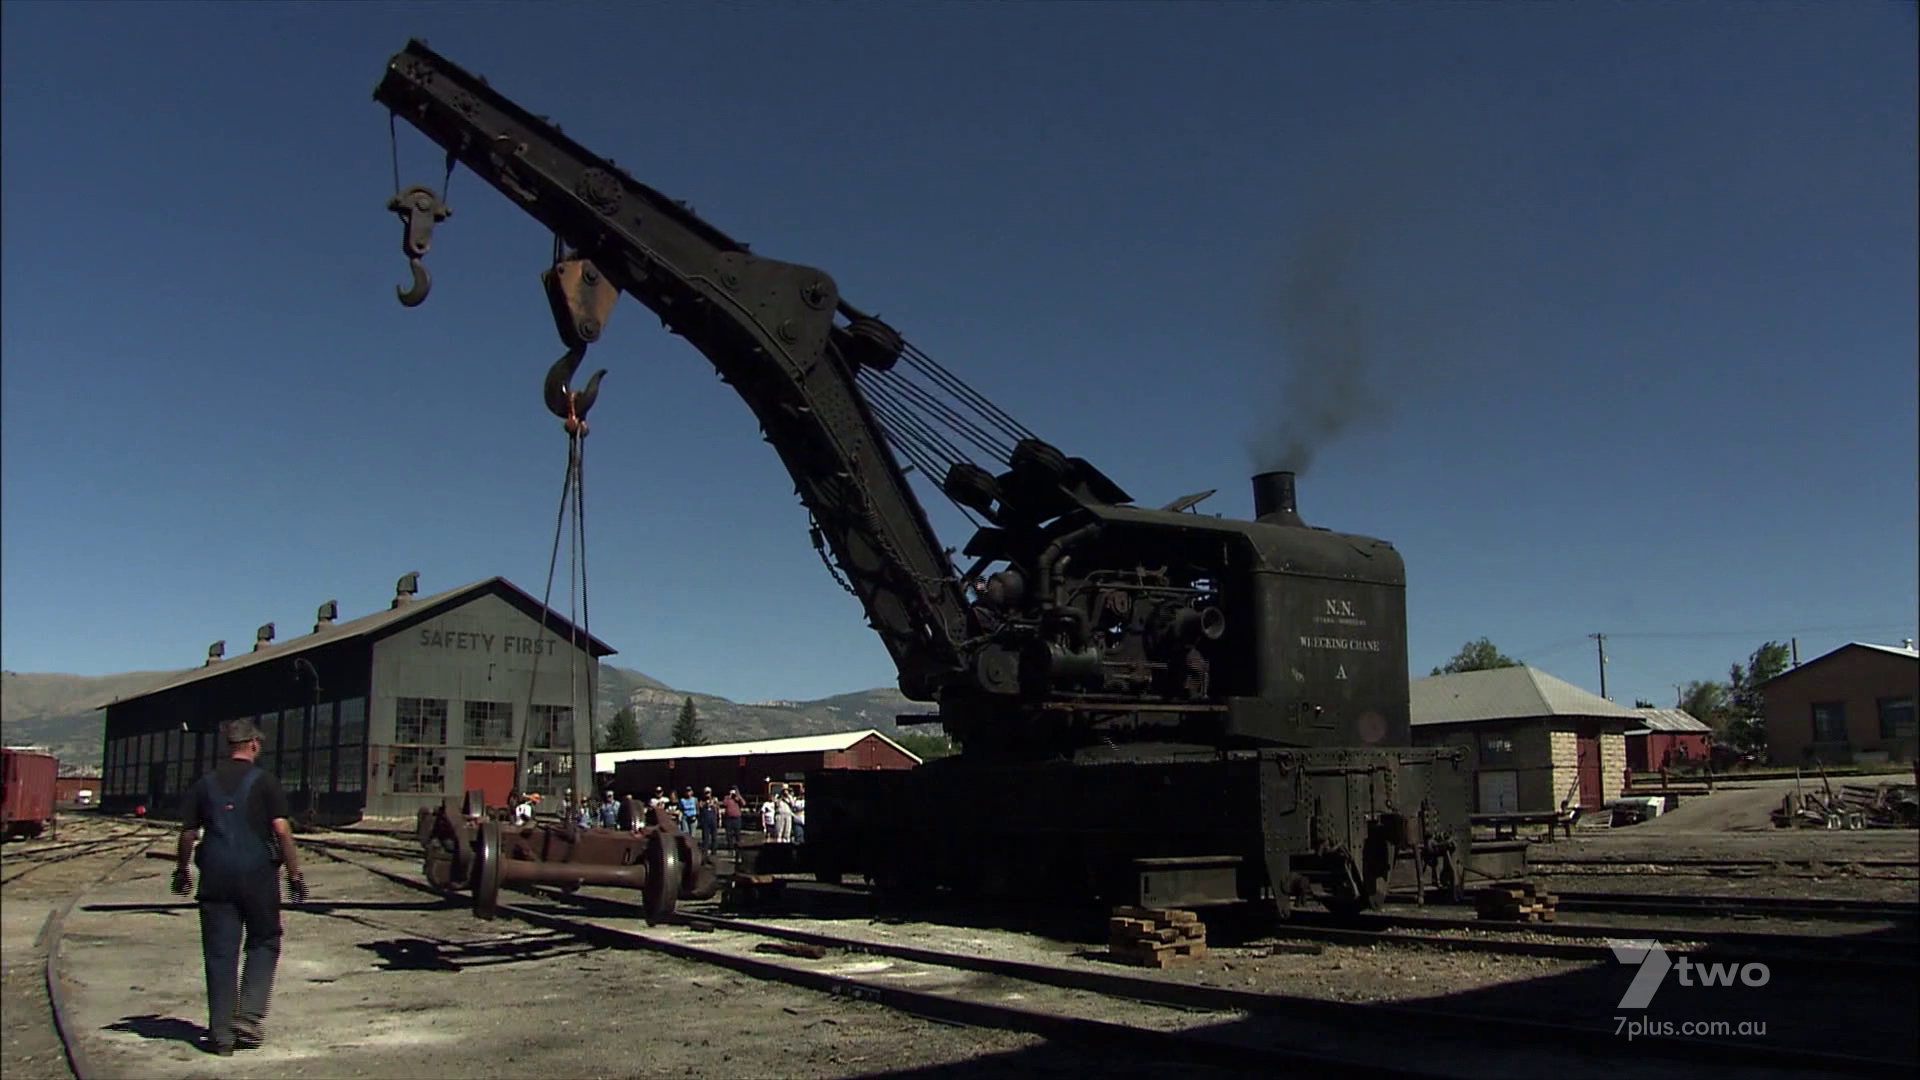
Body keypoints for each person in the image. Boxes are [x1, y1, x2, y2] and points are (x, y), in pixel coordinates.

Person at [171, 718, 306, 1056]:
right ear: (254, 744)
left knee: (220, 953)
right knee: (264, 940)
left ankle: (221, 1035)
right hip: (258, 877)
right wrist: (295, 874)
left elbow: (188, 834)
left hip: (215, 878)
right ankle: (248, 1015)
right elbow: (282, 831)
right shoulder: (266, 782)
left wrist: (182, 870)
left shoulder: (204, 784)